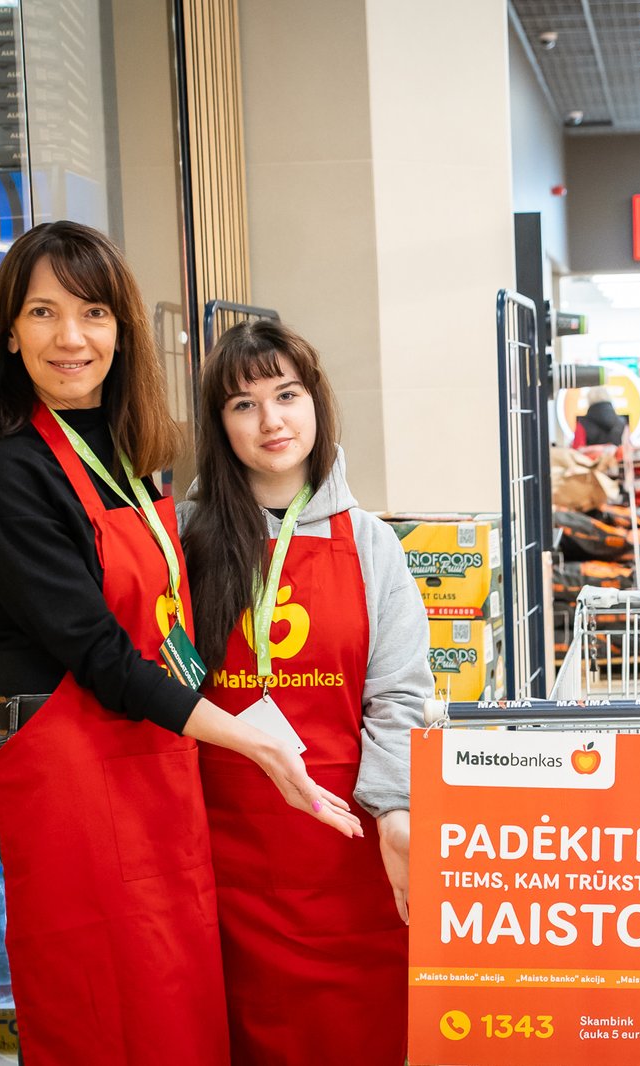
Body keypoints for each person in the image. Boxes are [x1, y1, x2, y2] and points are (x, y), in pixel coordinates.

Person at [0, 221, 360, 1064]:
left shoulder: (139, 456)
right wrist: (246, 737)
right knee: (105, 1017)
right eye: (43, 312)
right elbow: (94, 649)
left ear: (121, 328)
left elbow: (160, 629)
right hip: (78, 791)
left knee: (180, 1016)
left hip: (159, 777)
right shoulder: (1, 473)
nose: (71, 337)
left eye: (93, 312)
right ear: (10, 333)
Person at [178, 319, 431, 1064]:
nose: (272, 421)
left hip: (347, 853)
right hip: (220, 858)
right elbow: (131, 672)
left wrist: (395, 810)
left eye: (287, 395)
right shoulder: (184, 538)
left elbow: (399, 695)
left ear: (316, 402)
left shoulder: (371, 543)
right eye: (244, 404)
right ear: (219, 425)